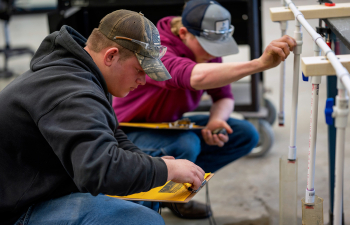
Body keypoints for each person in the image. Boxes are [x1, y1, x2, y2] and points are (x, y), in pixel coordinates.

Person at [0, 10, 206, 225]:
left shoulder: (86, 72)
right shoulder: (71, 91)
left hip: (39, 189)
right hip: (16, 209)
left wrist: (150, 163)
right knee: (143, 220)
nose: (143, 80)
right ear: (111, 56)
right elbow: (99, 171)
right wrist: (168, 169)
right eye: (139, 69)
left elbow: (112, 132)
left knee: (147, 194)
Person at [112, 0, 297, 219]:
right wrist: (259, 64)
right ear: (183, 33)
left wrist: (217, 120)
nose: (213, 53)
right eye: (209, 46)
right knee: (185, 144)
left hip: (164, 125)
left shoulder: (205, 53)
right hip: (125, 133)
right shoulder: (155, 50)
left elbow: (224, 96)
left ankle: (175, 194)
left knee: (244, 134)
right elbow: (191, 76)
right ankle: (139, 211)